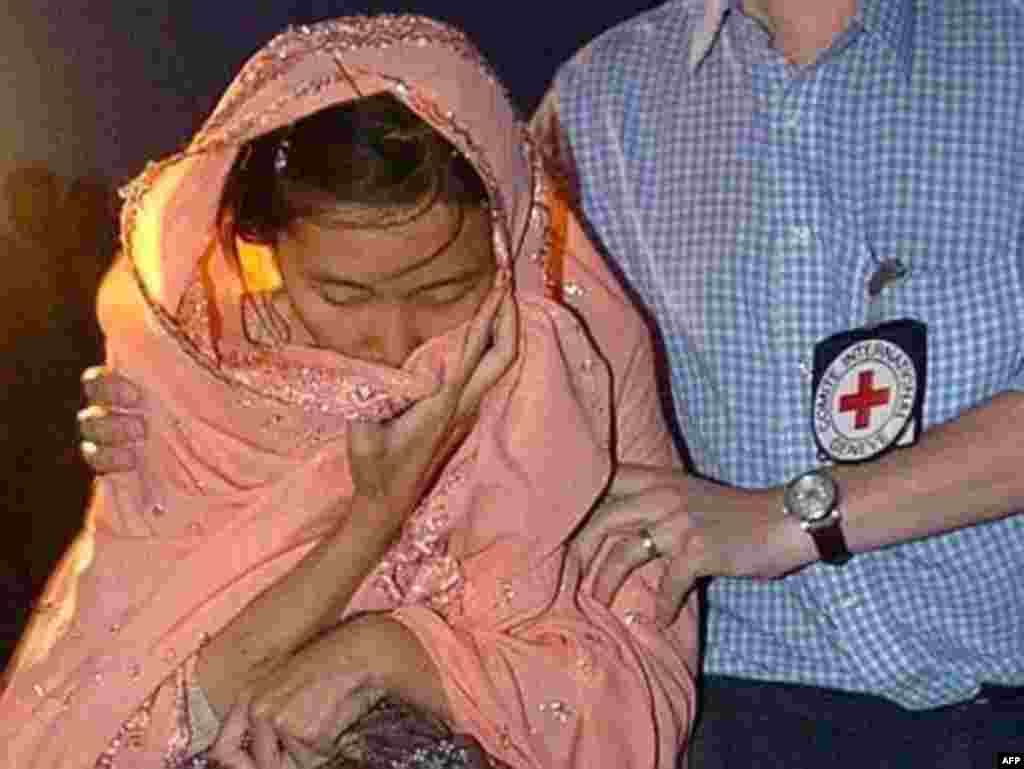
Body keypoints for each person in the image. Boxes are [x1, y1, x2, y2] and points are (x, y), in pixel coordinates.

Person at [1, 15, 696, 769]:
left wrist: (396, 651)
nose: (394, 342)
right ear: (258, 246)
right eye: (342, 293)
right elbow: (121, 726)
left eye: (446, 289)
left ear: (511, 239)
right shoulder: (198, 390)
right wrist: (374, 515)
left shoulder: (576, 364)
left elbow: (641, 684)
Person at [525, 0, 1024, 766]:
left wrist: (789, 519)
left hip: (1000, 683)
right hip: (740, 702)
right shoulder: (599, 100)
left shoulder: (1004, 48)